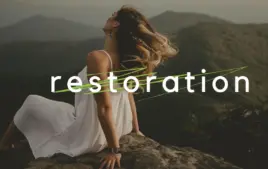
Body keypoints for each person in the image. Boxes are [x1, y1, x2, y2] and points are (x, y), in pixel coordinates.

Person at [0, 5, 178, 169]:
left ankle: (4, 145)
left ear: (115, 24)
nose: (108, 18)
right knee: (66, 109)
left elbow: (104, 107)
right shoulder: (126, 59)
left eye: (112, 16)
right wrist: (135, 130)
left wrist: (114, 150)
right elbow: (127, 95)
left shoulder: (98, 58)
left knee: (32, 102)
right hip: (119, 126)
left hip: (93, 136)